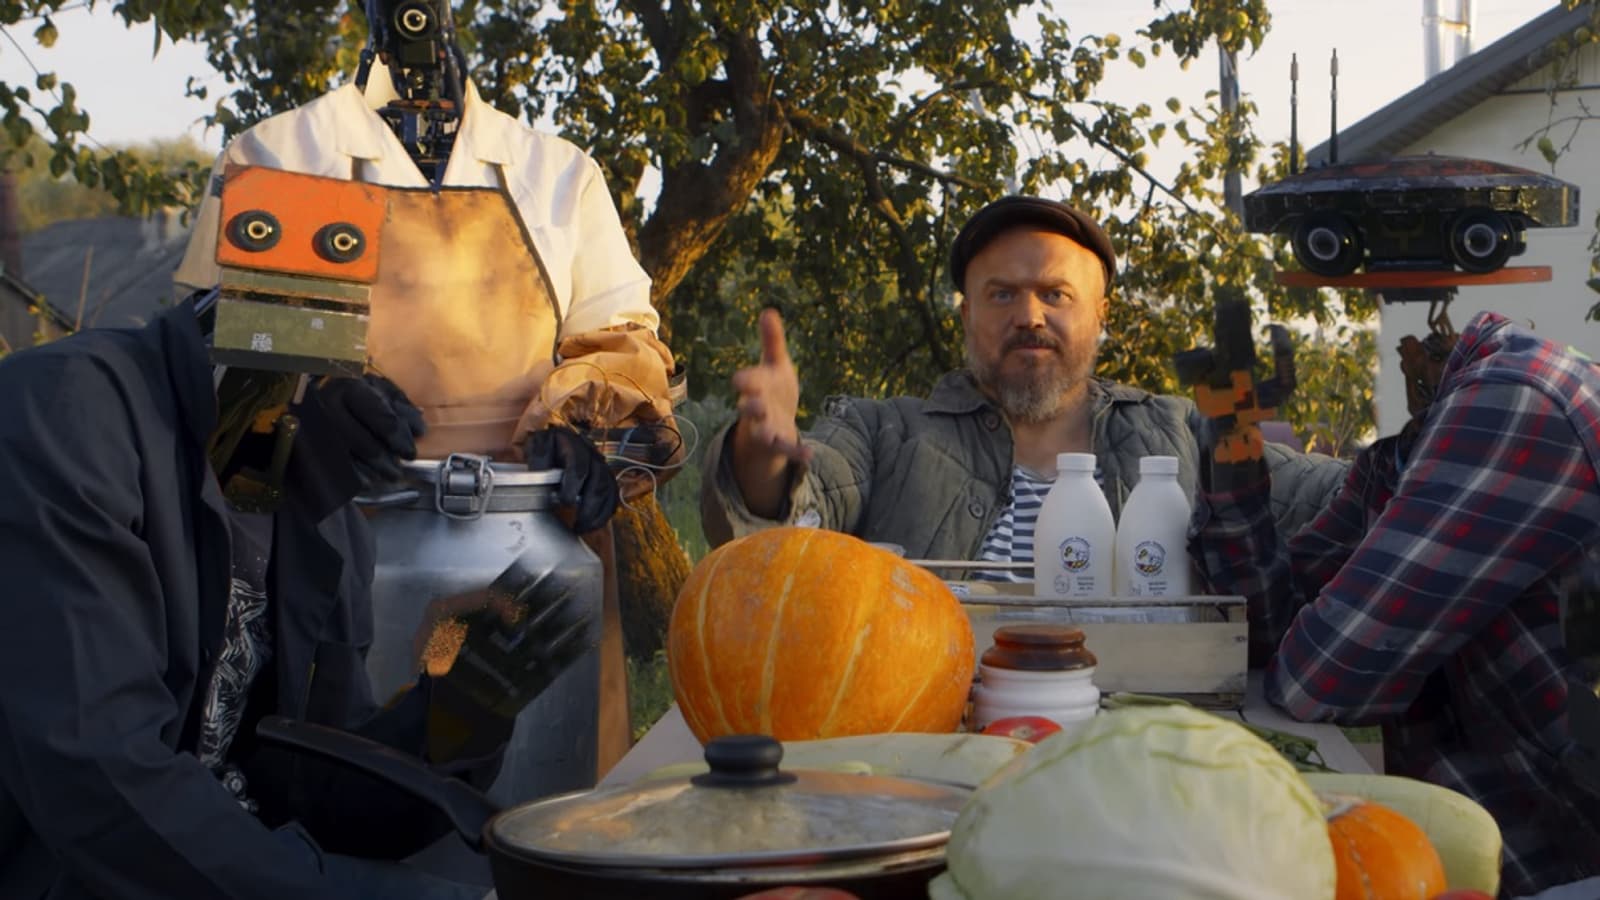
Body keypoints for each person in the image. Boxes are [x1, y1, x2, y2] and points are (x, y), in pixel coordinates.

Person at [172, 0, 679, 777]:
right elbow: (217, 409)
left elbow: (625, 354)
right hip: (337, 559)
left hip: (531, 555)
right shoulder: (286, 157)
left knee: (541, 799)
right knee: (354, 791)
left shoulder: (554, 175)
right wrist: (305, 409)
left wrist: (591, 440)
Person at [0, 296, 497, 899]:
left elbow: (312, 793)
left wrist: (460, 702)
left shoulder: (325, 513)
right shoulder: (66, 413)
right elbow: (97, 779)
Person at [701, 194, 1346, 571]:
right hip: (929, 736)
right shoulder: (882, 432)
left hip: (1136, 733)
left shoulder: (1180, 432)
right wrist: (760, 455)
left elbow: (1324, 495)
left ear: (1101, 315)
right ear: (967, 315)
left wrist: (1401, 462)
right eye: (1002, 293)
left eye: (1055, 294)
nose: (1029, 316)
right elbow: (797, 508)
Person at [1199, 310, 1600, 898]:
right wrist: (1232, 461)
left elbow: (1320, 679)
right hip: (1507, 855)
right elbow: (1262, 630)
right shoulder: (1399, 459)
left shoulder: (1519, 398)